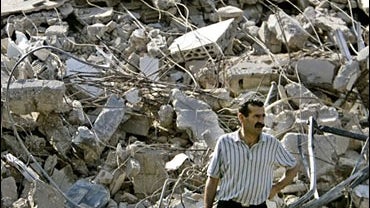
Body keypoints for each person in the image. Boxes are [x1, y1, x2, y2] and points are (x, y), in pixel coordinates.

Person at [204, 98, 299, 208]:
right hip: (229, 204)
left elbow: (293, 166)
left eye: (263, 116)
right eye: (256, 116)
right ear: (241, 118)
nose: (261, 121)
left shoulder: (271, 143)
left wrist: (276, 188)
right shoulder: (225, 142)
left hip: (258, 205)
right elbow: (212, 178)